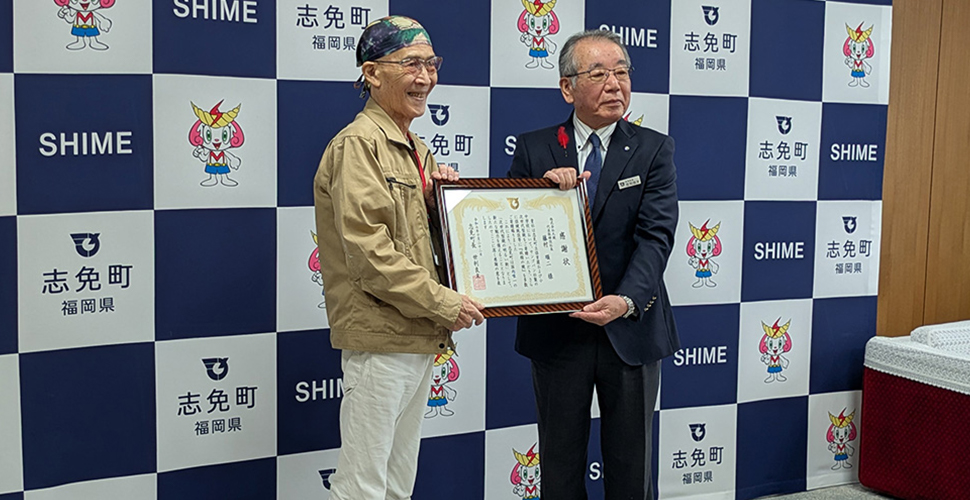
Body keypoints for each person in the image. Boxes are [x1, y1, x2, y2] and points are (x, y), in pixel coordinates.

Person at [313, 16, 485, 500]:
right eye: (411, 64)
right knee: (363, 488)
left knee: (394, 485)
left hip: (414, 336)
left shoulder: (415, 149)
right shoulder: (358, 144)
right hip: (381, 340)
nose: (425, 77)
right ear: (371, 73)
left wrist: (441, 204)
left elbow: (417, 237)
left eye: (431, 64)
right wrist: (445, 302)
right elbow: (370, 255)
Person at [508, 29, 680, 500]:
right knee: (560, 467)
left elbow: (656, 236)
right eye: (599, 74)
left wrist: (626, 300)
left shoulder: (654, 148)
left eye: (622, 72)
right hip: (558, 331)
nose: (614, 84)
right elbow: (512, 235)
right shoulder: (534, 148)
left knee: (631, 467)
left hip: (630, 327)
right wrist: (541, 195)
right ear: (568, 88)